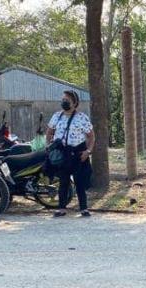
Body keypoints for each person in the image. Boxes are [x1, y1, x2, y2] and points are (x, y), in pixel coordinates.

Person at [46, 90, 95, 218]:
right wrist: (50, 146)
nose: (64, 102)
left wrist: (88, 151)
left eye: (67, 100)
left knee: (79, 182)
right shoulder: (57, 116)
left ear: (75, 102)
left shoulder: (82, 118)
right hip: (63, 154)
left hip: (78, 153)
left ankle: (83, 208)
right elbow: (49, 132)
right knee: (63, 181)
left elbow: (91, 136)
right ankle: (61, 208)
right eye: (63, 100)